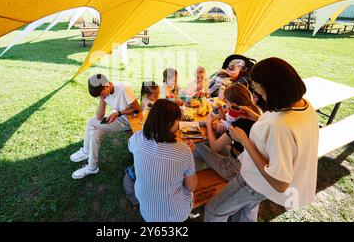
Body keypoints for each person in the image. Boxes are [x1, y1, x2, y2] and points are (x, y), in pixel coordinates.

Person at [204, 57, 319, 222]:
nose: (256, 92)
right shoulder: (301, 105)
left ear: (272, 87)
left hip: (253, 182)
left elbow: (279, 182)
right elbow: (275, 136)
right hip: (257, 185)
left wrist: (244, 141)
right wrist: (255, 116)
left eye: (257, 86)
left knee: (214, 210)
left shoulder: (281, 124)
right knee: (244, 214)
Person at [128, 99, 197, 222]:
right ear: (171, 123)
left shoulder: (137, 138)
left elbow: (131, 146)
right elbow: (192, 187)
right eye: (177, 121)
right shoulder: (183, 151)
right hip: (173, 216)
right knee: (189, 183)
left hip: (146, 210)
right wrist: (190, 154)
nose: (179, 124)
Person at [70, 74, 141, 179]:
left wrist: (119, 113)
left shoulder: (124, 88)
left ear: (107, 86)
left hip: (128, 121)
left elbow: (137, 110)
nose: (103, 97)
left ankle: (86, 151)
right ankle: (92, 167)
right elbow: (99, 117)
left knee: (90, 122)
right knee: (95, 134)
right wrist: (102, 100)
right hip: (118, 117)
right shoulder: (104, 94)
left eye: (102, 94)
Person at [195, 83, 261, 181]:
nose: (226, 104)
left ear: (234, 104)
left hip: (235, 168)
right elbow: (227, 121)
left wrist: (208, 124)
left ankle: (201, 177)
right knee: (208, 141)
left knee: (198, 146)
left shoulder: (241, 123)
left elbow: (215, 147)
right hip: (242, 157)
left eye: (227, 102)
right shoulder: (255, 112)